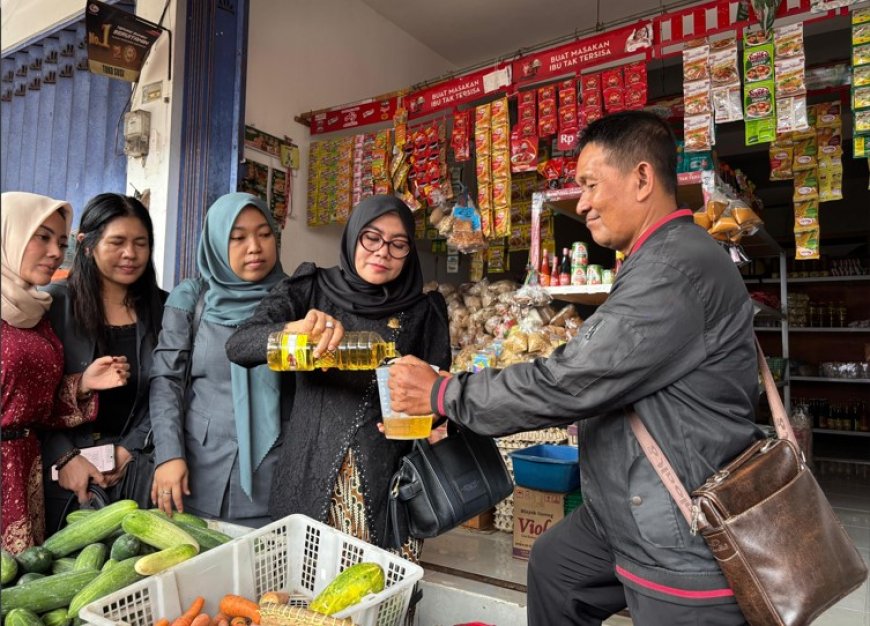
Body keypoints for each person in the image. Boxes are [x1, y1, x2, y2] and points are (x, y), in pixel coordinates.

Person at [388, 111, 760, 626]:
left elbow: (573, 379)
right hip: (627, 508)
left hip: (678, 527)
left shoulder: (674, 269)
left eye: (589, 184)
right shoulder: (656, 260)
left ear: (642, 178)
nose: (581, 202)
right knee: (557, 566)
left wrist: (445, 393)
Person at [226, 194, 451, 559]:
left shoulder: (424, 311)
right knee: (303, 591)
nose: (383, 253)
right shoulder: (311, 289)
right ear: (352, 237)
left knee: (378, 595)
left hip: (387, 483)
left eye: (398, 245)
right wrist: (292, 332)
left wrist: (433, 419)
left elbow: (439, 391)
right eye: (372, 238)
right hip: (307, 472)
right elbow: (238, 346)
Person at [149, 193, 291, 527]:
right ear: (214, 243)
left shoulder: (295, 298)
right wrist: (169, 454)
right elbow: (165, 381)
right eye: (237, 238)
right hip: (195, 473)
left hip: (275, 477)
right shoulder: (193, 298)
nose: (254, 247)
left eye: (264, 234)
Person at [1, 192, 129, 553]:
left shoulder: (35, 314)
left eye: (60, 241)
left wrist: (83, 384)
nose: (56, 252)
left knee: (20, 588)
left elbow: (30, 407)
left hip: (25, 471)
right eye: (41, 237)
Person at [41, 193, 168, 532]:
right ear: (86, 245)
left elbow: (170, 391)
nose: (131, 254)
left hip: (139, 471)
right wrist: (64, 455)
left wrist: (127, 450)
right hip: (66, 475)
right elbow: (30, 398)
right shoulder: (53, 305)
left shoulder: (165, 310)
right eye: (117, 242)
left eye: (141, 242)